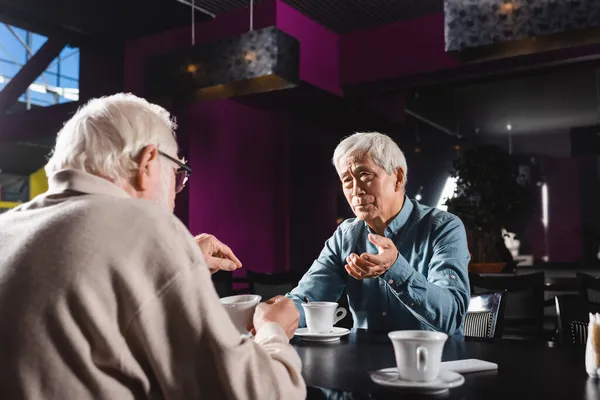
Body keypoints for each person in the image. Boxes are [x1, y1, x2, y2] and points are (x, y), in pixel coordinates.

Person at [0, 93, 305, 400]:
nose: (176, 193)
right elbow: (259, 394)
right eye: (177, 174)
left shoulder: (8, 227)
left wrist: (179, 261)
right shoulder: (144, 222)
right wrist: (272, 329)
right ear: (146, 162)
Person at [286, 132, 470, 334]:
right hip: (362, 362)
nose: (356, 190)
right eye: (347, 180)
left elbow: (451, 317)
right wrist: (269, 316)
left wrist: (395, 268)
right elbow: (307, 297)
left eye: (365, 175)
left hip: (434, 361)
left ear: (398, 178)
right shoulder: (345, 236)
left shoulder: (444, 227)